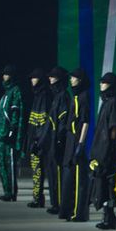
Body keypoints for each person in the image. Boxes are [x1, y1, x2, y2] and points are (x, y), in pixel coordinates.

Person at [90, 72, 116, 230]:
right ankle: (107, 217)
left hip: (108, 152)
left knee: (109, 184)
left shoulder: (112, 103)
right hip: (104, 149)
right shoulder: (107, 102)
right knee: (104, 184)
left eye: (104, 83)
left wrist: (107, 151)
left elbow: (113, 129)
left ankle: (109, 219)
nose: (101, 85)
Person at [60, 69, 92, 221]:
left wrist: (80, 143)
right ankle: (68, 210)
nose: (71, 80)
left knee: (79, 177)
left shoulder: (83, 97)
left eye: (74, 77)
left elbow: (85, 121)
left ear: (80, 80)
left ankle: (79, 213)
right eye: (71, 77)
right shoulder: (76, 96)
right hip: (70, 138)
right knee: (69, 176)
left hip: (77, 139)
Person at [0, 65, 25, 202]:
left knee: (10, 163)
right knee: (2, 162)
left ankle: (12, 192)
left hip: (9, 134)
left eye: (6, 75)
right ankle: (7, 190)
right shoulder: (5, 93)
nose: (4, 77)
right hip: (1, 133)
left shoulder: (15, 91)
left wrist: (13, 129)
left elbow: (15, 111)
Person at [25, 69, 52, 208]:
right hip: (36, 138)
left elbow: (43, 120)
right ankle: (37, 196)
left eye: (34, 78)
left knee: (39, 169)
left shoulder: (44, 96)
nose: (32, 81)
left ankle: (39, 198)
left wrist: (37, 139)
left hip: (41, 140)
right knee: (36, 168)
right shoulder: (37, 95)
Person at [45, 66, 70, 215]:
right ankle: (55, 202)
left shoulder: (62, 96)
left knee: (58, 174)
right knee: (52, 173)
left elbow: (62, 120)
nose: (50, 79)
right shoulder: (57, 96)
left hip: (58, 141)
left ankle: (60, 203)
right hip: (53, 140)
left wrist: (59, 139)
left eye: (52, 77)